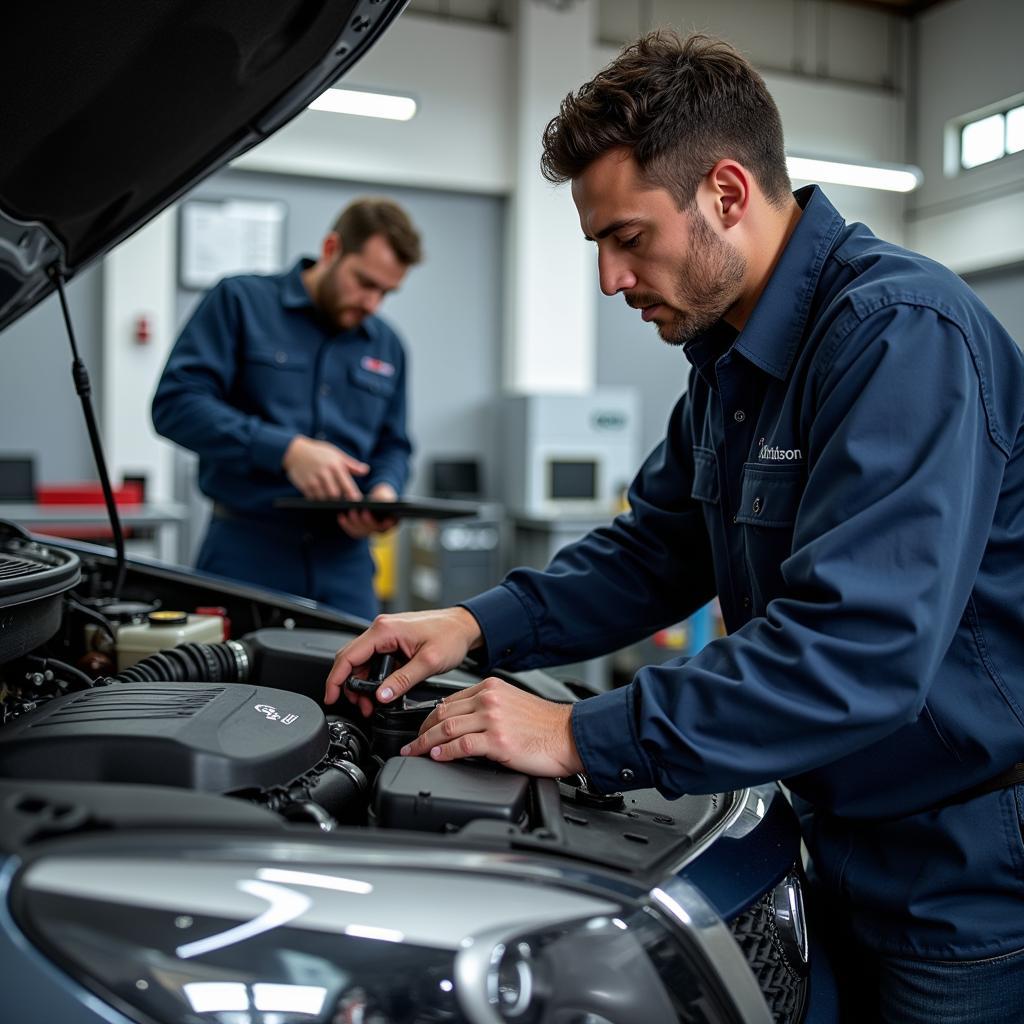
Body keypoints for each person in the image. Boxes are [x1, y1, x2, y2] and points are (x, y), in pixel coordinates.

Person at [324, 31, 1024, 1021]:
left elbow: (857, 645)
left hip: (960, 869)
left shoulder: (901, 336)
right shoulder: (728, 368)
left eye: (626, 238)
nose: (611, 281)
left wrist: (579, 732)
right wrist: (473, 625)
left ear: (726, 195)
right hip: (833, 828)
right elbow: (654, 549)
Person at [153, 197, 422, 618]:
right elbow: (176, 404)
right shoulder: (239, 302)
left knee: (360, 682)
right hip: (246, 556)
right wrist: (287, 451)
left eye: (386, 292)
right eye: (365, 283)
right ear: (332, 249)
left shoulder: (388, 345)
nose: (373, 303)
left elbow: (394, 443)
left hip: (346, 567)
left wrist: (385, 493)